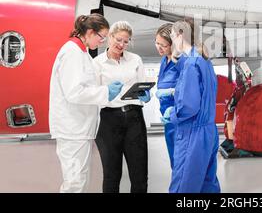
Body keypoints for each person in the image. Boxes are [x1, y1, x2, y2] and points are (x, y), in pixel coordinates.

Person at [49, 14, 123, 193]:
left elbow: (84, 87)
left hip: (79, 128)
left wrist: (104, 90)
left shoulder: (82, 53)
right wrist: (106, 92)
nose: (102, 41)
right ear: (90, 32)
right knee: (75, 183)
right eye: (101, 37)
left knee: (79, 179)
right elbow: (74, 92)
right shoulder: (72, 52)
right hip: (73, 129)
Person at [160, 20, 221, 193]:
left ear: (180, 35)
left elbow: (189, 106)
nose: (172, 42)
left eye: (172, 36)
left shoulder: (190, 64)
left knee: (184, 187)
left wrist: (173, 114)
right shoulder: (204, 61)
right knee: (207, 184)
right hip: (209, 131)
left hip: (192, 134)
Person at [93, 21, 150, 193]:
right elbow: (94, 94)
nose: (121, 45)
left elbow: (143, 84)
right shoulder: (97, 63)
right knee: (111, 173)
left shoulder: (135, 60)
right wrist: (106, 93)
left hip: (134, 118)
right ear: (109, 37)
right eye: (118, 39)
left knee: (139, 173)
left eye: (126, 41)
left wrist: (146, 95)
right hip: (108, 120)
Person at [153, 23, 182, 169]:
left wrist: (171, 91)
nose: (159, 48)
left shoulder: (180, 61)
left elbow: (189, 90)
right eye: (157, 43)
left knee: (182, 163)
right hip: (167, 120)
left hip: (179, 119)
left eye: (163, 45)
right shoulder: (164, 60)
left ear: (173, 45)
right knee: (174, 162)